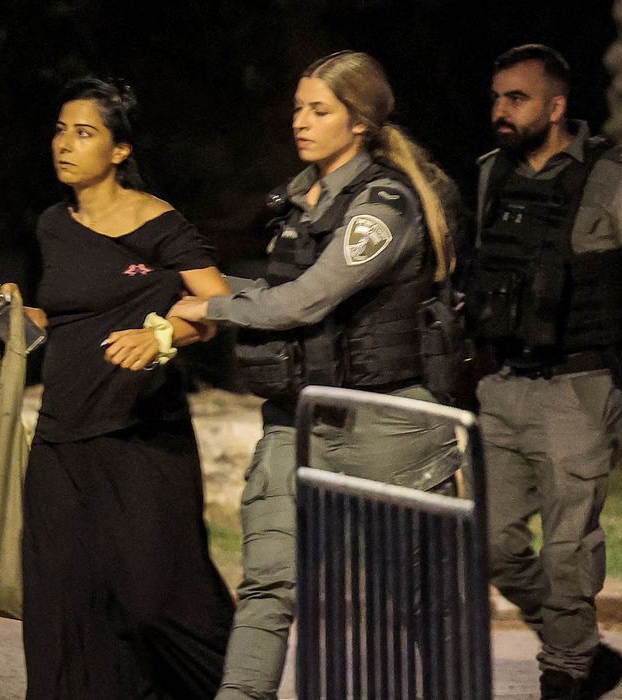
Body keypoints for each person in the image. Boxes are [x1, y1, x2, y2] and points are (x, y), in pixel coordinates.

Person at [168, 51, 462, 700]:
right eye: (298, 107)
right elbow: (274, 289)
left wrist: (213, 306)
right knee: (268, 584)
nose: (300, 122)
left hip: (386, 426)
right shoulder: (301, 198)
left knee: (417, 603)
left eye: (319, 110)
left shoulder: (383, 205)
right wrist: (176, 294)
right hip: (297, 420)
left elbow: (306, 301)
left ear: (359, 123)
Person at [0, 76, 235, 699]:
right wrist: (13, 314)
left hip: (143, 441)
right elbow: (59, 321)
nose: (65, 143)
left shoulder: (157, 221)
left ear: (118, 150)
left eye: (84, 132)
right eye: (60, 129)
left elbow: (220, 305)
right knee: (62, 613)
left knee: (156, 603)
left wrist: (163, 336)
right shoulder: (53, 225)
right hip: (62, 444)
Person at [464, 44, 622, 700]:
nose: (501, 111)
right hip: (503, 385)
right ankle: (579, 650)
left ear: (557, 106)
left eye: (517, 99)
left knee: (568, 554)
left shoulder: (615, 179)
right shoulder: (492, 175)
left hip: (579, 388)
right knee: (491, 546)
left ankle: (563, 678)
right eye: (496, 98)